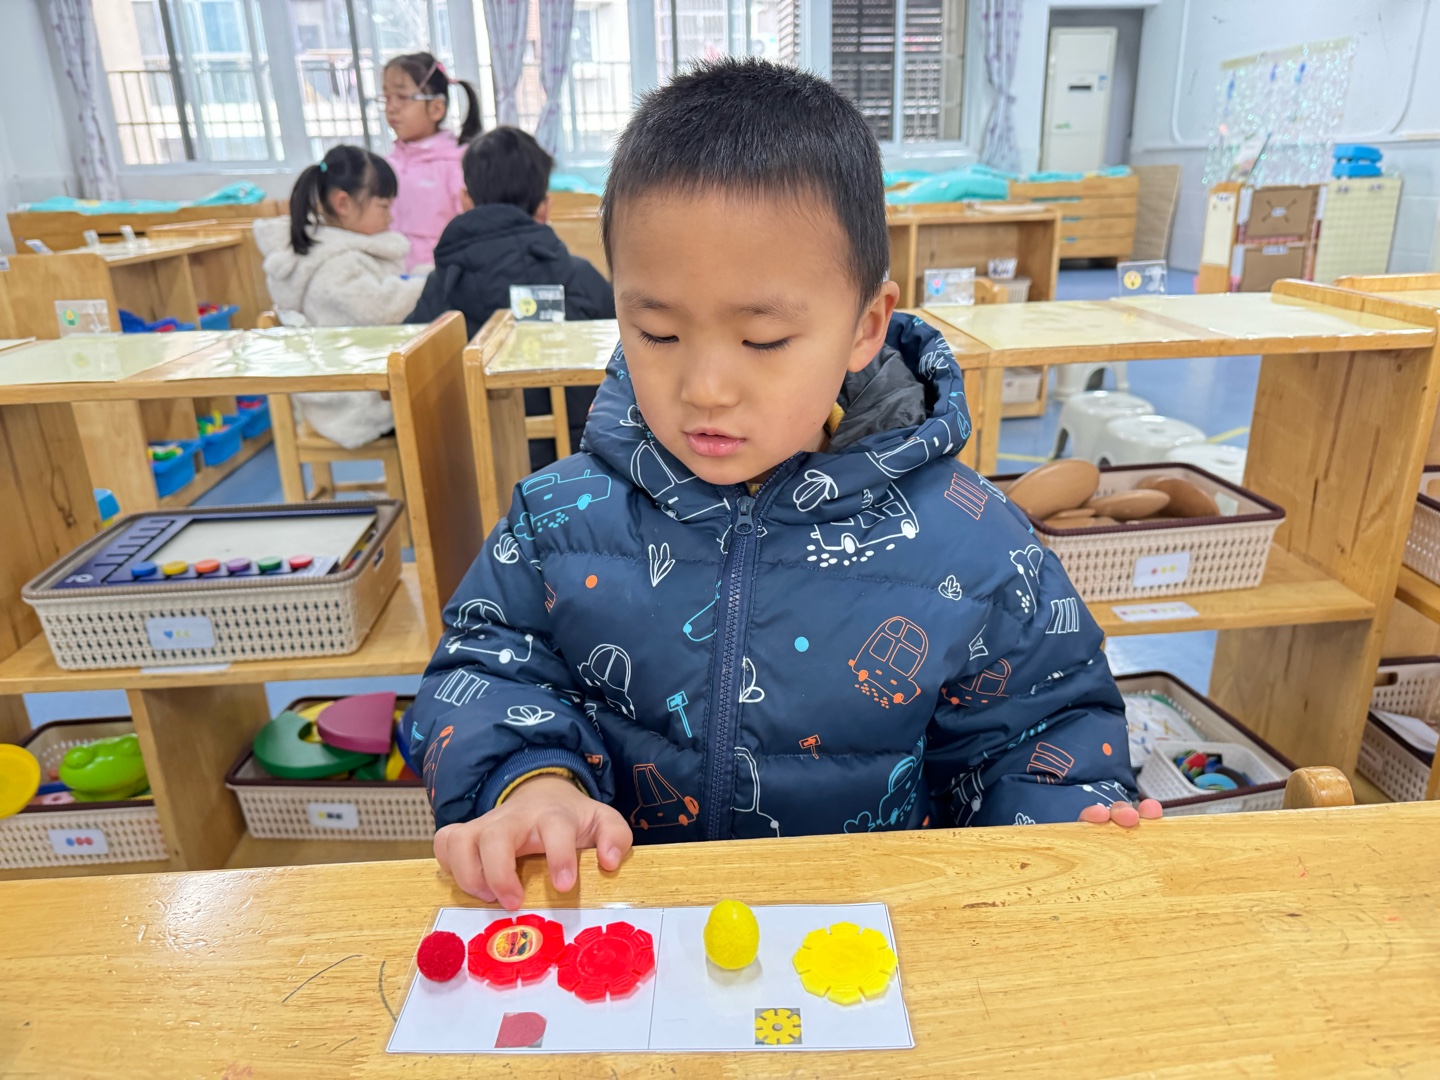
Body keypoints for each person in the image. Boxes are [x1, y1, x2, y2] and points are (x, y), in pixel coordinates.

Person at [408, 59, 1160, 911]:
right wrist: (531, 785)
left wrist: (1060, 822)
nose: (705, 389)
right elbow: (487, 671)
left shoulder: (974, 540)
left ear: (865, 326)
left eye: (762, 341)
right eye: (656, 333)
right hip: (632, 934)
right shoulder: (558, 519)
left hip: (865, 942)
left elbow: (1044, 727)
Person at [406, 126, 615, 464]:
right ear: (545, 207)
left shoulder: (441, 286)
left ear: (466, 201)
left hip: (469, 469)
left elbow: (409, 376)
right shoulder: (580, 278)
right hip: (578, 467)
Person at [255, 144, 425, 447]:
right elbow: (380, 309)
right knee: (444, 392)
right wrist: (430, 283)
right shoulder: (333, 267)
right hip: (352, 403)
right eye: (383, 207)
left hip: (359, 383)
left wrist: (422, 277)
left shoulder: (339, 251)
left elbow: (387, 289)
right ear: (343, 203)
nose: (390, 219)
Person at [383, 51, 481, 271]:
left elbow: (473, 229)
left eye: (402, 97)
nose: (391, 107)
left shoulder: (457, 164)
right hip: (393, 280)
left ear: (436, 108)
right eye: (386, 97)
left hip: (442, 278)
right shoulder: (385, 165)